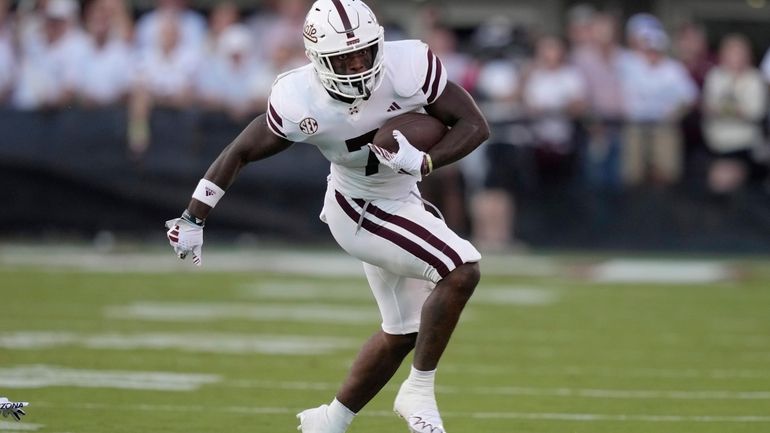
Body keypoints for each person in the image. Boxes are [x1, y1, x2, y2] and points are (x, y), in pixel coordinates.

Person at [164, 1, 489, 433]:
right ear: (317, 58)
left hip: (402, 199)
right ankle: (419, 389)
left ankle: (329, 421)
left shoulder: (409, 64)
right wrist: (193, 217)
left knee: (405, 331)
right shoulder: (301, 99)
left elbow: (474, 125)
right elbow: (240, 151)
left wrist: (426, 163)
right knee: (461, 270)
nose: (357, 66)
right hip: (360, 209)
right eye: (344, 58)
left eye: (364, 53)